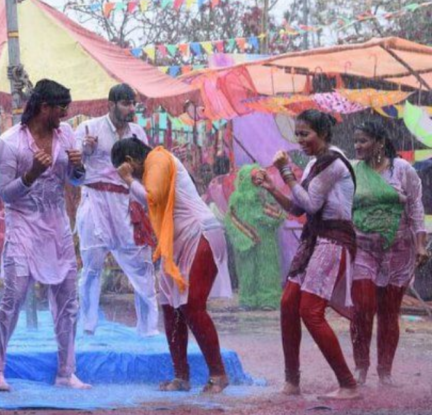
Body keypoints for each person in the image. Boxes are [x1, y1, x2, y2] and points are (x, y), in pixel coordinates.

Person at [0, 79, 90, 391]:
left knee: (68, 300)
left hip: (57, 226)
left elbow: (74, 180)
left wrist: (78, 168)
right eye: (61, 108)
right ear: (44, 107)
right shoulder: (9, 143)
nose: (65, 114)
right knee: (12, 298)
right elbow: (4, 194)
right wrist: (30, 174)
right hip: (24, 228)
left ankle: (65, 372)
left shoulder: (67, 134)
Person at [252, 110, 360, 400]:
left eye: (305, 134)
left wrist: (286, 171)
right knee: (288, 303)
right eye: (297, 134)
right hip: (314, 239)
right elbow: (297, 209)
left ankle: (348, 384)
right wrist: (272, 186)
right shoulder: (315, 162)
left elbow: (311, 204)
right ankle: (292, 381)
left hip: (333, 240)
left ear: (323, 134)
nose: (300, 140)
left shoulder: (334, 163)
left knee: (310, 311)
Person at [112, 138, 232, 393]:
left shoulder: (158, 158)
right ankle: (181, 377)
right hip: (176, 243)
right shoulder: (156, 164)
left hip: (199, 233)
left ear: (130, 163)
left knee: (191, 306)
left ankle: (219, 374)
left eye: (123, 169)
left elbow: (152, 198)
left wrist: (129, 181)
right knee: (170, 308)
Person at [73, 84, 160, 337]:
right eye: (125, 104)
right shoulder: (89, 128)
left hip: (125, 200)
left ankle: (148, 328)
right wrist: (85, 152)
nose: (131, 109)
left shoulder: (137, 132)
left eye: (133, 104)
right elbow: (73, 168)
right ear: (110, 105)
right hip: (95, 199)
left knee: (141, 263)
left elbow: (144, 169)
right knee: (92, 266)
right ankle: (87, 327)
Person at [349, 121, 428, 386]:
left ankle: (385, 371)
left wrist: (420, 244)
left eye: (363, 141)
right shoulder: (352, 171)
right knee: (362, 306)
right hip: (363, 249)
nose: (358, 146)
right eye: (356, 141)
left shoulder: (402, 169)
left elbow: (416, 207)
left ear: (380, 142)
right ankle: (360, 368)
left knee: (388, 311)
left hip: (398, 252)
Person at [223, 165, 286, 310]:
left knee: (267, 270)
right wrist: (243, 237)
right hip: (246, 244)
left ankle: (268, 298)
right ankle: (247, 299)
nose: (257, 182)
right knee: (247, 271)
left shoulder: (264, 197)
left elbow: (278, 216)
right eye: (253, 178)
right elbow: (231, 219)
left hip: (266, 243)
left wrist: (264, 216)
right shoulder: (237, 199)